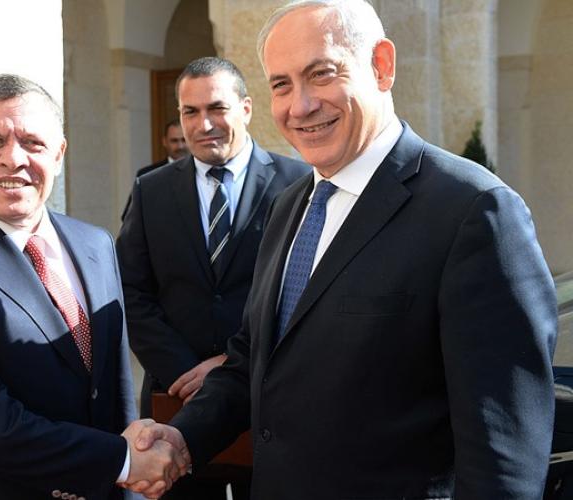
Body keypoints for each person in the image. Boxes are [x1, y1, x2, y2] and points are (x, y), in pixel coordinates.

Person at [132, 1, 558, 499]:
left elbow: (502, 458)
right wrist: (183, 437)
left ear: (381, 65)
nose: (300, 106)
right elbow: (254, 362)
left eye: (322, 74)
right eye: (281, 84)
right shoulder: (290, 205)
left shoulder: (474, 211)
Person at [0, 74, 186, 500]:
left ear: (59, 154)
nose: (14, 159)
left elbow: (114, 387)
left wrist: (130, 479)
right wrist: (121, 461)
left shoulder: (95, 244)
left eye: (32, 142)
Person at [117, 56, 308, 499]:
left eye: (217, 108)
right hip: (175, 399)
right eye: (191, 111)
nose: (204, 125)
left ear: (246, 108)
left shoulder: (299, 183)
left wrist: (230, 365)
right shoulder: (151, 189)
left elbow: (303, 292)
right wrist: (184, 371)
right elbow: (130, 291)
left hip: (267, 398)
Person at [121, 119, 189, 220]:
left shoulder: (205, 171)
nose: (180, 146)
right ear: (164, 142)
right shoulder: (147, 175)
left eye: (184, 140)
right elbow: (129, 217)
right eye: (174, 141)